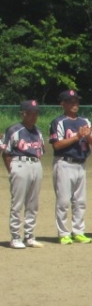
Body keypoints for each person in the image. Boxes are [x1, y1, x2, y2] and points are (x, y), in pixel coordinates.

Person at [49, 89, 92, 245]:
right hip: (64, 163)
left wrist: (87, 135)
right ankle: (64, 233)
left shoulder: (85, 121)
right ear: (62, 104)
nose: (75, 104)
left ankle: (78, 231)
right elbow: (57, 145)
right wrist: (77, 136)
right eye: (71, 102)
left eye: (76, 101)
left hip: (81, 163)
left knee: (80, 201)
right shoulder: (59, 122)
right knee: (63, 201)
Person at [4, 99, 46, 249]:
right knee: (18, 203)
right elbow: (6, 153)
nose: (34, 116)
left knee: (33, 203)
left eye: (36, 113)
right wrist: (12, 170)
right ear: (23, 114)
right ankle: (15, 237)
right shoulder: (14, 130)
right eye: (30, 113)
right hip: (19, 163)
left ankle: (29, 236)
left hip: (36, 164)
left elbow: (41, 151)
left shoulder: (38, 131)